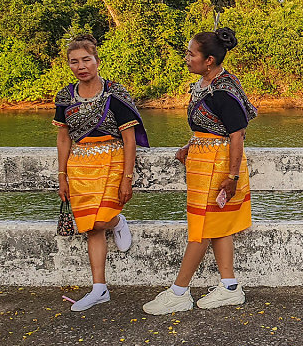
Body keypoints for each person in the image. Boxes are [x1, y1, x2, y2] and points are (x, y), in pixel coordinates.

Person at [143, 27, 256, 315]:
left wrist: (231, 177)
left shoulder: (224, 90)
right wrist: (189, 144)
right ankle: (230, 286)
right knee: (218, 226)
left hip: (218, 166)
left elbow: (236, 135)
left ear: (208, 60)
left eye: (191, 54)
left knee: (201, 229)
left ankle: (179, 291)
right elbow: (210, 128)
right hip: (203, 160)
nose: (186, 58)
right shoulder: (206, 84)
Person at [54, 34, 149, 312]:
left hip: (112, 161)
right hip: (80, 165)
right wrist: (62, 175)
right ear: (69, 65)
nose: (81, 66)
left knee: (99, 221)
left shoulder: (114, 93)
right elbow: (63, 137)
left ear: (97, 61)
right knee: (88, 227)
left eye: (86, 60)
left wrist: (127, 178)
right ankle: (99, 288)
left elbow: (129, 139)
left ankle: (117, 221)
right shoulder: (65, 97)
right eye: (74, 62)